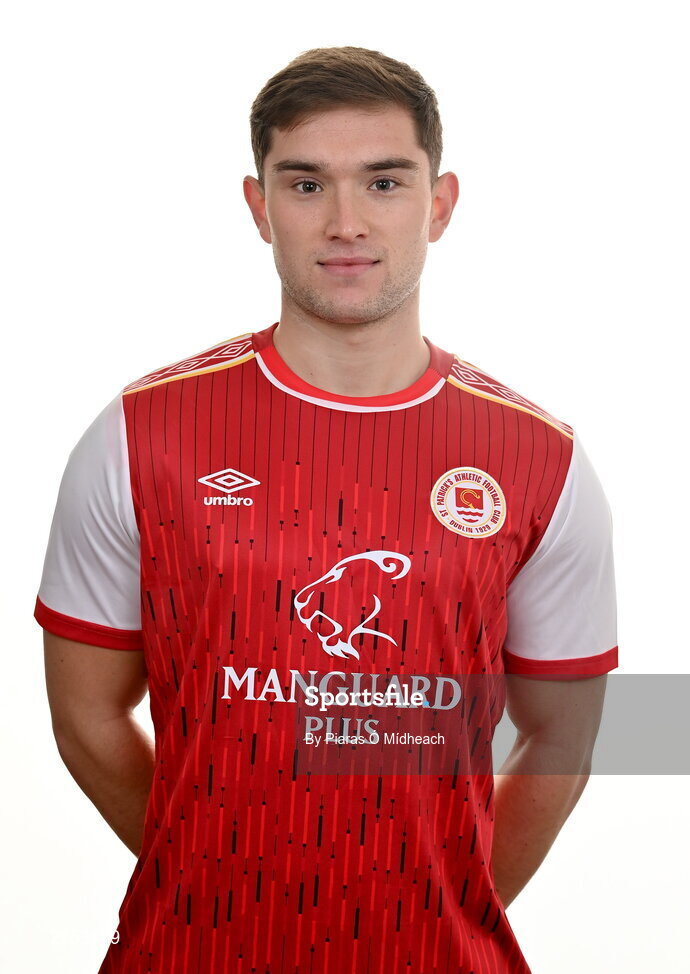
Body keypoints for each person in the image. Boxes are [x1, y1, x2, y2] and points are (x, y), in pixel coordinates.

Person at [35, 45, 618, 974]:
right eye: (305, 185)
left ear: (440, 202)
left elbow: (565, 735)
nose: (346, 222)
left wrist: (441, 909)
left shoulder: (542, 461)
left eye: (384, 181)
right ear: (259, 206)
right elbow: (86, 717)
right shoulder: (139, 436)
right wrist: (210, 877)